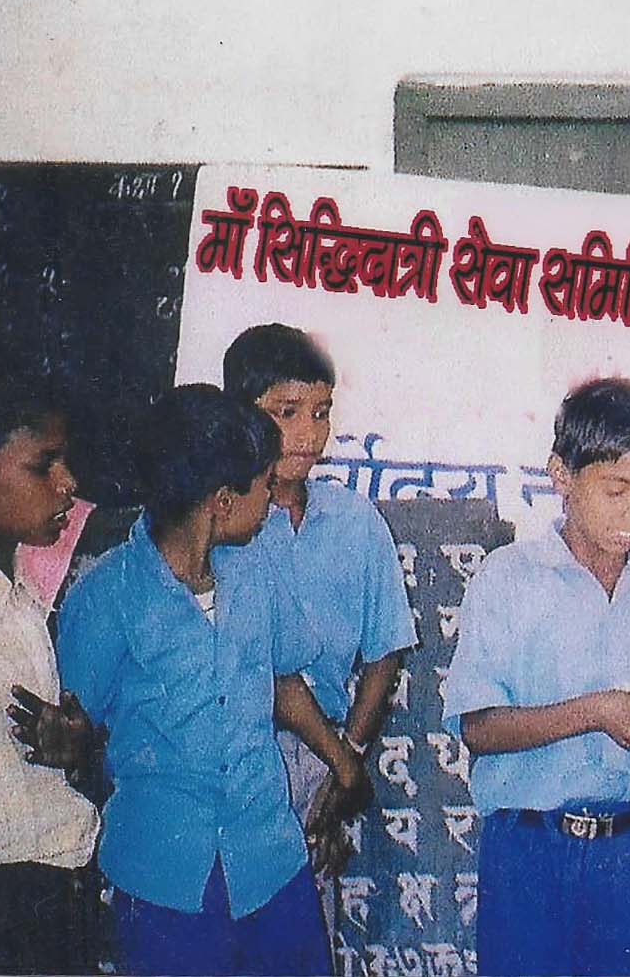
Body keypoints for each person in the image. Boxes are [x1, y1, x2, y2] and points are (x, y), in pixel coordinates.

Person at [49, 384, 363, 976]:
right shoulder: (107, 597)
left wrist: (343, 763)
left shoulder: (256, 569)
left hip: (271, 866)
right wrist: (72, 739)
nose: (271, 502)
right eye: (264, 486)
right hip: (165, 884)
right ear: (222, 500)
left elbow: (283, 680)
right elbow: (76, 725)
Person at [441, 377, 630, 977]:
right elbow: (479, 729)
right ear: (561, 476)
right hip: (530, 852)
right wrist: (597, 711)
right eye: (617, 489)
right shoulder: (507, 581)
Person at [223, 323, 416, 926]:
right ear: (241, 416)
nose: (308, 434)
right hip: (235, 754)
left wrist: (344, 760)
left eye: (321, 412)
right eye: (287, 413)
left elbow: (385, 651)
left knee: (304, 936)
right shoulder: (220, 524)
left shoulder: (356, 522)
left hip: (326, 758)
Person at [0, 379, 101, 975]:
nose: (68, 483)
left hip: (53, 891)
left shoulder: (18, 596)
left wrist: (76, 752)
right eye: (42, 465)